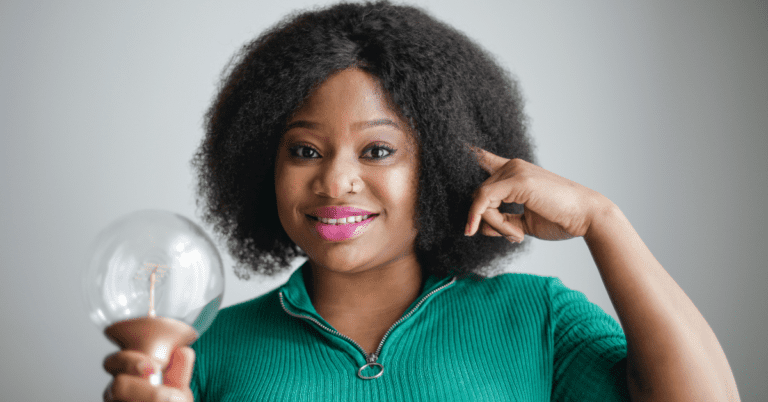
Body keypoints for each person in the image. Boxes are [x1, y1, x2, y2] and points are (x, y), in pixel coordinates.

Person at [102, 1, 741, 401]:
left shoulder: (539, 321)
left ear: (438, 167)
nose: (334, 182)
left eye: (378, 151)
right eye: (304, 150)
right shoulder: (205, 351)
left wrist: (605, 221)